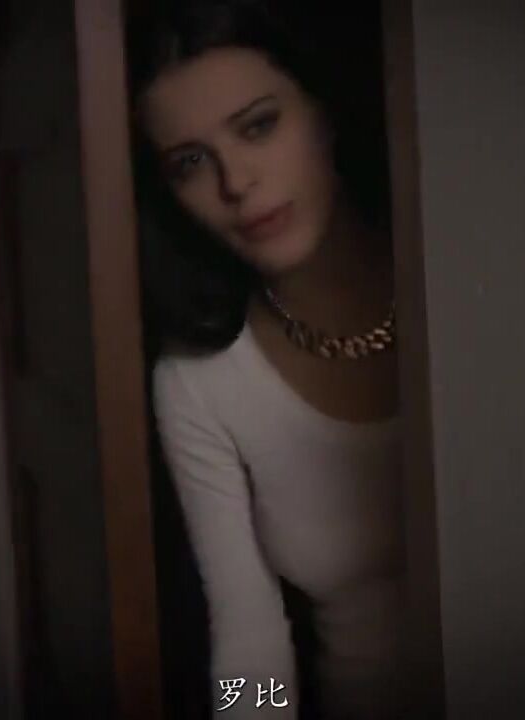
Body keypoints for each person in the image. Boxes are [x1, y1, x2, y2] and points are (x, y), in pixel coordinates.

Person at [127, 2, 403, 717]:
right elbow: (250, 642)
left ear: (324, 113)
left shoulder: (466, 281)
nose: (236, 182)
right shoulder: (199, 380)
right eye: (191, 162)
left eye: (258, 126)